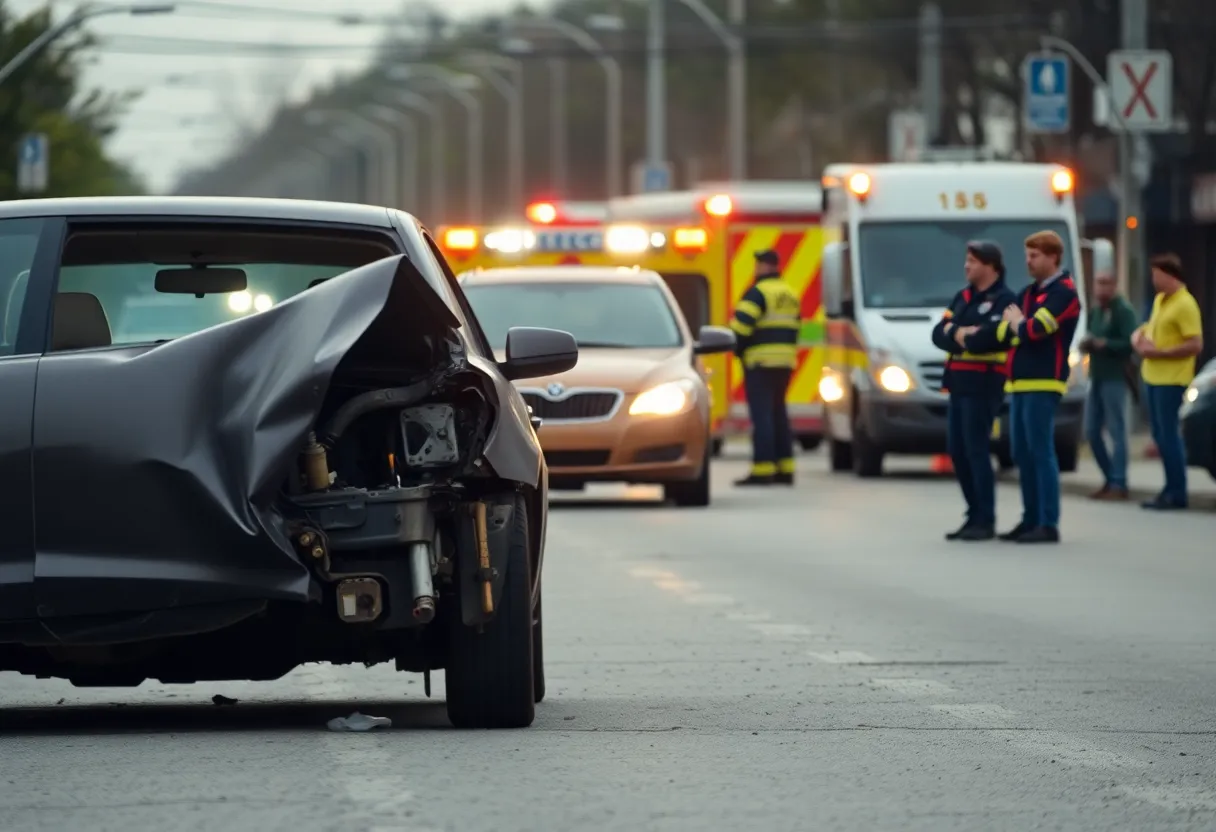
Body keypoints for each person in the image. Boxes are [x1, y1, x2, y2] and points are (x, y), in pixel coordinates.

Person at [962, 230, 1080, 544]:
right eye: (1027, 255)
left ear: (1053, 257)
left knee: (1041, 451)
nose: (1028, 262)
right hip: (1019, 382)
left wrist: (1019, 326)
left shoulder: (1064, 294)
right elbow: (1007, 330)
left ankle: (1048, 522)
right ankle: (1030, 519)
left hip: (1044, 381)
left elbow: (1036, 329)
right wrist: (1009, 328)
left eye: (1035, 256)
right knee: (1021, 452)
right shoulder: (1027, 294)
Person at [931, 240, 1018, 541]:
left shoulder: (1006, 301)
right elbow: (937, 334)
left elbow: (992, 338)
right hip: (958, 383)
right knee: (957, 451)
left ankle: (985, 518)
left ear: (990, 266)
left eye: (972, 261)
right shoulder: (963, 297)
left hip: (984, 384)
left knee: (976, 449)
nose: (966, 266)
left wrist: (962, 333)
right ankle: (972, 513)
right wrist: (960, 332)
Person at [1132, 253, 1204, 510]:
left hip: (1172, 380)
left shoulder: (1185, 304)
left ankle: (1177, 491)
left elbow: (1195, 343)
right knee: (1160, 436)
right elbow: (1150, 328)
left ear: (1169, 275)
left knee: (1169, 436)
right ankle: (1169, 487)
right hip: (1152, 376)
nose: (1153, 279)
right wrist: (1138, 337)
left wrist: (1159, 353)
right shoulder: (1161, 300)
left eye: (1156, 274)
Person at [729, 249, 801, 486]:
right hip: (785, 363)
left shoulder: (757, 293)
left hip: (760, 363)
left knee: (762, 418)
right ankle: (785, 468)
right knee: (779, 414)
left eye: (758, 265)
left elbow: (740, 329)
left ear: (763, 267)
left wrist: (736, 351)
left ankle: (762, 470)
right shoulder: (790, 293)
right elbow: (795, 327)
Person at [1079, 270, 1138, 500]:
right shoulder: (1096, 310)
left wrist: (1106, 344)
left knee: (1116, 430)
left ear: (1114, 285)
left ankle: (1119, 481)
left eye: (1106, 284)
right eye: (1098, 284)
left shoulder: (1123, 310)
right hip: (1097, 374)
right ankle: (1109, 476)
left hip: (1115, 376)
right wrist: (1088, 343)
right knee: (1091, 430)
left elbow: (1130, 341)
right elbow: (1091, 334)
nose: (1101, 289)